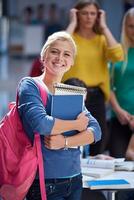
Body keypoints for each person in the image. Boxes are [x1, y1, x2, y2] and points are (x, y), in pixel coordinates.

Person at [17, 31, 101, 200]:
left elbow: (96, 131)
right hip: (45, 181)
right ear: (44, 55)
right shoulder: (30, 85)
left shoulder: (69, 91)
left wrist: (65, 142)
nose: (60, 57)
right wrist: (76, 125)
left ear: (71, 63)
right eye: (54, 51)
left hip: (75, 178)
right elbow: (41, 124)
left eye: (66, 54)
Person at [62, 0, 124, 156]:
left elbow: (118, 56)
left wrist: (104, 27)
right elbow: (60, 46)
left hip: (96, 94)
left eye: (92, 13)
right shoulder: (71, 38)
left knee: (98, 138)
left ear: (98, 16)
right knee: (71, 136)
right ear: (77, 14)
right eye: (84, 13)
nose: (89, 17)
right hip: (71, 92)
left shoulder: (101, 39)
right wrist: (72, 23)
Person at [109, 8, 134, 158]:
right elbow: (108, 85)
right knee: (117, 162)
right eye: (131, 26)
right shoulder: (117, 53)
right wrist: (118, 110)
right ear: (125, 27)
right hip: (118, 117)